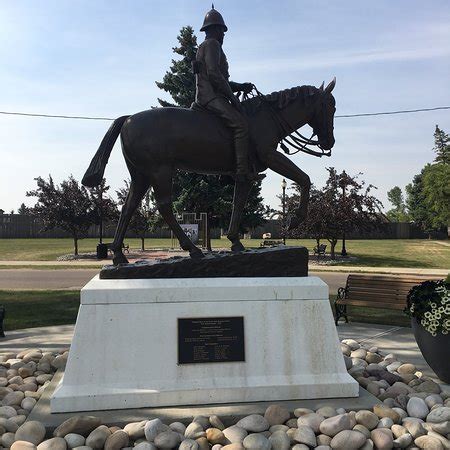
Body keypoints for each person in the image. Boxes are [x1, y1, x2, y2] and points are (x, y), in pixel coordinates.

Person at [193, 5, 260, 181]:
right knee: (241, 125)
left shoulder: (205, 46)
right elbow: (215, 75)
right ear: (215, 29)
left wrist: (240, 86)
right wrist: (233, 99)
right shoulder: (213, 44)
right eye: (222, 30)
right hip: (210, 97)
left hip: (208, 94)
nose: (223, 34)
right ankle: (240, 171)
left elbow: (220, 79)